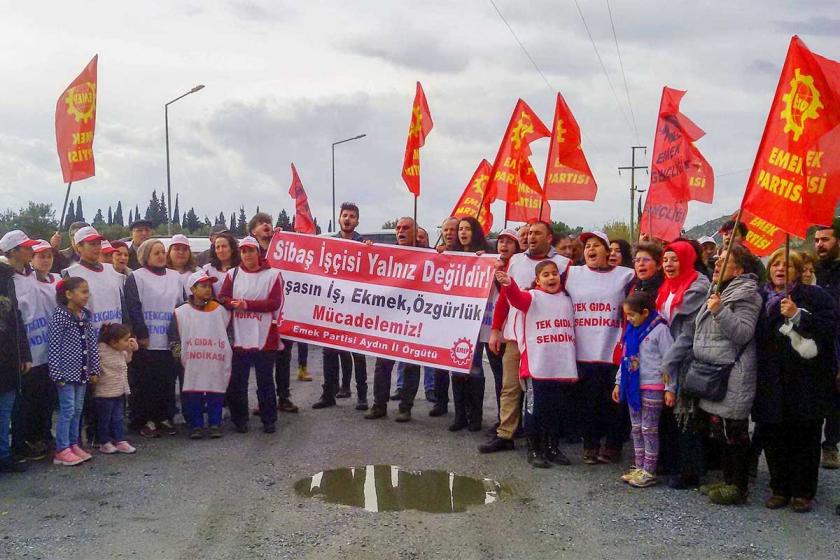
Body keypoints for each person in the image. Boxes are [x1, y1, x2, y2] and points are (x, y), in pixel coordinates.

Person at [754, 249, 837, 513]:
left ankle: (802, 492)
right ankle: (779, 488)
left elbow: (828, 327)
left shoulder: (815, 296)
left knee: (804, 437)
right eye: (776, 264)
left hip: (805, 380)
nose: (780, 269)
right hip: (770, 378)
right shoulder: (762, 297)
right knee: (774, 435)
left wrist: (798, 315)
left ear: (799, 271)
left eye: (787, 265)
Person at [480, 221, 570, 453]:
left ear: (549, 238)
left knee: (543, 391)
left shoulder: (563, 264)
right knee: (510, 387)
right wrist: (495, 330)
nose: (530, 237)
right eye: (528, 233)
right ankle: (506, 433)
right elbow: (504, 299)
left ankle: (546, 438)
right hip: (515, 336)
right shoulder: (516, 261)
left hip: (546, 338)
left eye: (537, 233)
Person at [691, 245, 761, 505]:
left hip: (734, 372)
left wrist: (720, 310)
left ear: (739, 269)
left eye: (724, 260)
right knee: (720, 430)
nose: (717, 263)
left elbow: (743, 333)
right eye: (717, 260)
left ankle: (739, 486)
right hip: (715, 371)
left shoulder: (747, 295)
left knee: (735, 431)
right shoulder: (718, 289)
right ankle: (727, 479)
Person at [497, 260, 577, 468]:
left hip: (561, 365)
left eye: (554, 274)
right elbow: (516, 299)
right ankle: (534, 448)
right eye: (546, 275)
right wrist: (509, 284)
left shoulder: (567, 299)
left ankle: (552, 446)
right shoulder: (532, 297)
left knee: (556, 408)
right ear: (538, 279)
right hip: (537, 365)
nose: (551, 278)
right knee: (536, 409)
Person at [564, 231, 634, 464]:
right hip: (582, 350)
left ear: (608, 251)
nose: (591, 249)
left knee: (613, 402)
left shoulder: (626, 275)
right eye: (587, 246)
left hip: (612, 349)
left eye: (596, 245)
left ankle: (613, 446)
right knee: (587, 402)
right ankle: (590, 445)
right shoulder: (571, 273)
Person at [655, 241, 711, 489]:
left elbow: (688, 332)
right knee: (669, 414)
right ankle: (670, 463)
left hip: (684, 357)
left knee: (685, 415)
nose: (669, 264)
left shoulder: (697, 287)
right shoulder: (665, 287)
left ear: (687, 259)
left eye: (674, 259)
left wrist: (668, 361)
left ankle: (690, 470)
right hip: (667, 353)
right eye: (666, 259)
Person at [218, 236, 284, 434]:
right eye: (244, 251)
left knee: (265, 380)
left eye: (251, 251)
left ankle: (269, 418)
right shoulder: (233, 274)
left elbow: (274, 302)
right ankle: (240, 419)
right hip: (239, 334)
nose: (247, 254)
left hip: (264, 336)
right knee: (238, 380)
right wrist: (232, 303)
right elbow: (222, 297)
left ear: (258, 253)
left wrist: (248, 304)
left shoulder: (273, 274)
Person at [124, 239, 185, 438]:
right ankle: (143, 420)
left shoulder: (175, 277)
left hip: (169, 340)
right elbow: (133, 307)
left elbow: (182, 306)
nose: (161, 256)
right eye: (155, 252)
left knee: (166, 381)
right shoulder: (137, 277)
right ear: (145, 256)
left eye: (162, 252)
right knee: (144, 383)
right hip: (147, 340)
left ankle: (163, 417)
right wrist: (141, 334)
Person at [364, 217, 424, 422]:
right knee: (382, 365)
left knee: (410, 366)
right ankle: (379, 405)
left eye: (406, 228)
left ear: (416, 232)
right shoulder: (385, 253)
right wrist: (368, 250)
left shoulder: (429, 255)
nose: (401, 231)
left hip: (414, 321)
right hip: (389, 321)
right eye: (398, 228)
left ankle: (405, 407)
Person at [613, 292, 674, 488]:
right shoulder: (631, 330)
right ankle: (638, 466)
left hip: (653, 385)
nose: (629, 319)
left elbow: (669, 361)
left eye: (632, 315)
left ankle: (649, 469)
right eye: (627, 315)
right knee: (637, 428)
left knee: (649, 429)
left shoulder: (660, 330)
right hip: (632, 385)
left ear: (645, 312)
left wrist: (670, 388)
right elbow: (624, 359)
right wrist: (618, 382)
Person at [313, 202, 369, 410]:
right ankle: (329, 393)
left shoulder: (364, 244)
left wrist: (370, 251)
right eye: (344, 215)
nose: (347, 219)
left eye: (352, 216)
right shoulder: (329, 244)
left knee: (358, 352)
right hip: (333, 307)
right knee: (329, 352)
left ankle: (362, 396)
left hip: (355, 307)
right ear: (339, 218)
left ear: (357, 221)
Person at [8, 237, 57, 462]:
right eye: (27, 248)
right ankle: (23, 442)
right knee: (24, 401)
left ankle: (43, 436)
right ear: (13, 251)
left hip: (46, 348)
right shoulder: (8, 279)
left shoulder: (32, 275)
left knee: (45, 397)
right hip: (25, 351)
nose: (30, 251)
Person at [170, 271, 232, 440]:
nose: (207, 290)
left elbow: (228, 332)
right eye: (203, 286)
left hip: (214, 359)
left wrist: (228, 349)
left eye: (209, 286)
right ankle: (195, 424)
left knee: (215, 390)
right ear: (193, 289)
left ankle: (214, 423)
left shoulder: (220, 310)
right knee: (193, 392)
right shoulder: (180, 312)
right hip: (191, 361)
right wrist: (178, 355)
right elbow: (174, 336)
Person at [49, 277, 99, 466]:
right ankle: (61, 449)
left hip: (82, 372)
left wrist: (94, 368)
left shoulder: (85, 316)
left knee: (78, 409)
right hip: (66, 373)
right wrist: (56, 372)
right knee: (68, 409)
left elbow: (92, 344)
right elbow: (53, 346)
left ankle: (73, 443)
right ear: (69, 294)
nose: (87, 296)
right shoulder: (60, 316)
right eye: (83, 291)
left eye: (87, 291)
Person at [447, 217, 488, 432]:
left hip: (476, 320)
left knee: (474, 367)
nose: (463, 232)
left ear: (475, 232)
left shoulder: (484, 254)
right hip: (455, 319)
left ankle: (476, 416)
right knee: (456, 366)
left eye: (467, 229)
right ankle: (460, 415)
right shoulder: (452, 254)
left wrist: (484, 261)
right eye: (460, 229)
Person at [481, 229, 520, 435]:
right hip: (493, 330)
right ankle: (502, 419)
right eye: (501, 241)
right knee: (501, 380)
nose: (503, 245)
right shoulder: (490, 263)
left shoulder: (519, 266)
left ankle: (517, 422)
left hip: (513, 332)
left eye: (509, 242)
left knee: (513, 381)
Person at [0, 233, 33, 473]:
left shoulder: (8, 278)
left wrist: (24, 353)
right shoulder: (6, 276)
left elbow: (16, 319)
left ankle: (4, 453)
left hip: (9, 355)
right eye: (25, 248)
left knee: (6, 408)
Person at [813, 221, 840, 470]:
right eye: (817, 239)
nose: (820, 244)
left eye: (826, 239)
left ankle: (830, 445)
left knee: (834, 397)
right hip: (811, 343)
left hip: (835, 344)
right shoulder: (811, 271)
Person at [94, 323, 138, 455]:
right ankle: (104, 441)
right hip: (104, 393)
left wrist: (130, 349)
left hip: (119, 391)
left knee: (118, 417)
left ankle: (120, 439)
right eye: (125, 340)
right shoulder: (101, 353)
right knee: (105, 419)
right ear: (113, 342)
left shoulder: (119, 352)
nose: (127, 342)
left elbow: (127, 360)